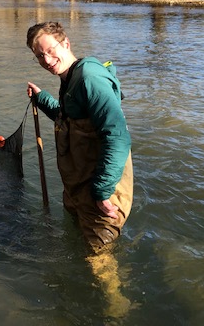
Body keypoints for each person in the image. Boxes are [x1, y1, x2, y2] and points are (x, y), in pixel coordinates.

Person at [26, 21, 133, 253]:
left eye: (50, 50)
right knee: (79, 249)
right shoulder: (70, 79)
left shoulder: (88, 78)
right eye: (39, 55)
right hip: (78, 191)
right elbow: (70, 120)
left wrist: (103, 191)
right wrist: (41, 98)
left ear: (65, 43)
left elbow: (117, 136)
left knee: (99, 263)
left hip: (99, 196)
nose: (46, 59)